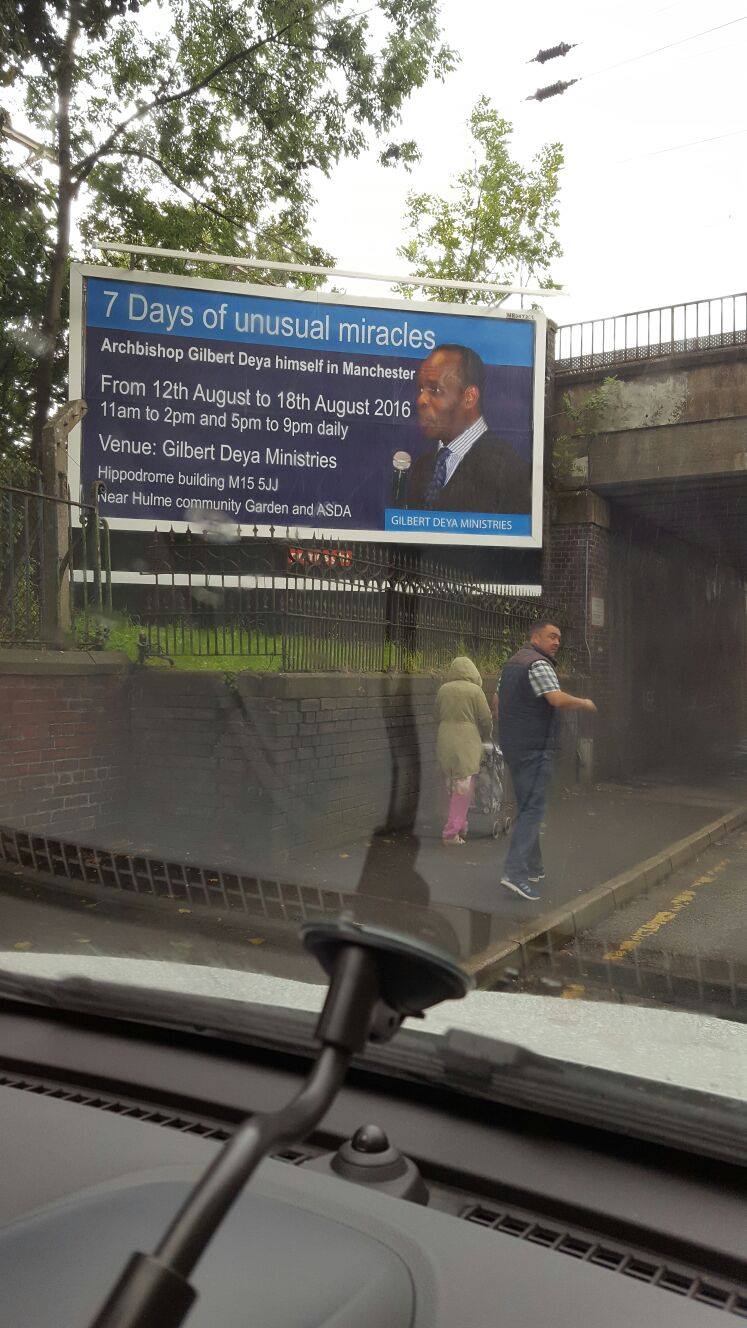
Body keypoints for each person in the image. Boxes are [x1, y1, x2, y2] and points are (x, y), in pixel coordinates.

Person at [495, 619, 597, 900]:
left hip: (514, 746)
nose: (557, 642)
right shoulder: (538, 664)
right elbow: (555, 699)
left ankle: (533, 867)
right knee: (533, 809)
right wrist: (584, 703)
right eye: (552, 636)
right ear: (536, 637)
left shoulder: (512, 663)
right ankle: (514, 873)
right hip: (535, 748)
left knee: (528, 805)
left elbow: (497, 704)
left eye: (559, 638)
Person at [408, 344, 531, 515]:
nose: (421, 400)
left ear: (469, 397)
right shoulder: (421, 468)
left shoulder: (510, 471)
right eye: (421, 389)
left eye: (435, 390)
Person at [435, 656, 493, 845]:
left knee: (451, 783)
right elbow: (485, 719)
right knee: (464, 786)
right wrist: (485, 736)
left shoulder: (443, 689)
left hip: (444, 738)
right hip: (467, 741)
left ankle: (461, 824)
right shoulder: (476, 691)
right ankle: (452, 832)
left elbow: (436, 714)